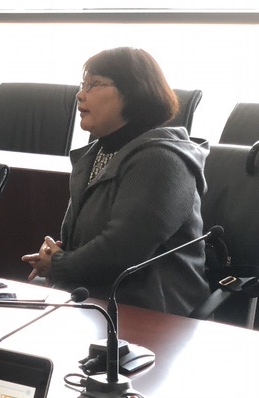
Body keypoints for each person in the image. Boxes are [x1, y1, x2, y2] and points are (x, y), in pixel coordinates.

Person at [22, 47, 209, 315]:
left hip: (151, 311)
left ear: (135, 92)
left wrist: (60, 264)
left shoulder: (162, 159)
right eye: (83, 85)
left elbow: (122, 250)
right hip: (96, 299)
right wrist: (54, 254)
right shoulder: (95, 154)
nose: (80, 94)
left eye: (95, 84)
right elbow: (90, 236)